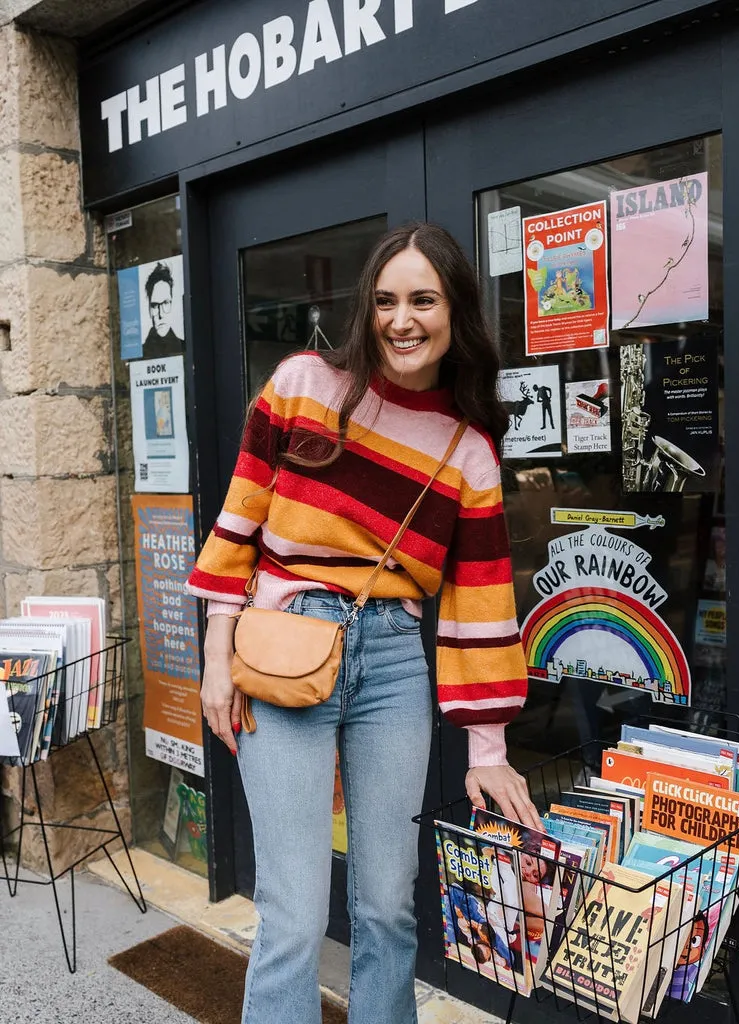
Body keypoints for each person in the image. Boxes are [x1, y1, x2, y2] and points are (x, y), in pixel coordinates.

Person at [186, 222, 544, 1024]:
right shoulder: (303, 385)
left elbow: (480, 601)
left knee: (387, 908)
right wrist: (217, 654)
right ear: (365, 308)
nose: (402, 319)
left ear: (456, 311)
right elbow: (237, 526)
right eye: (385, 301)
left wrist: (488, 747)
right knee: (295, 914)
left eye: (423, 299)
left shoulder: (468, 450)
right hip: (282, 649)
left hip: (391, 662)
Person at [143, 261, 183, 357]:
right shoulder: (141, 353)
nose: (161, 315)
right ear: (149, 310)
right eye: (155, 305)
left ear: (172, 304)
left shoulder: (184, 347)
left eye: (165, 303)